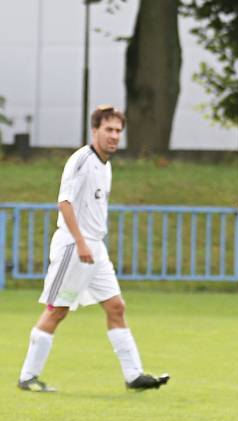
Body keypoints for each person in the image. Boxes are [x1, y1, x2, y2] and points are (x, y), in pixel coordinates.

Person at [17, 105, 169, 393]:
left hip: (95, 250)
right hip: (74, 248)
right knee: (57, 310)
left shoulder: (105, 165)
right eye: (109, 130)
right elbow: (65, 203)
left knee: (116, 306)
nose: (114, 136)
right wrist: (82, 242)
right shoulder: (81, 161)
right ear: (95, 130)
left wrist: (92, 245)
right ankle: (27, 376)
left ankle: (133, 375)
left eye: (118, 131)